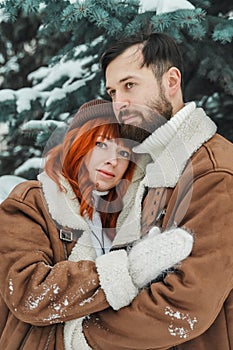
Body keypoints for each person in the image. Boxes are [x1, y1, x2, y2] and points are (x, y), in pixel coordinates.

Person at [79, 32, 233, 349]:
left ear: (171, 82)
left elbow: (186, 304)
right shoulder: (151, 170)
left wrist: (84, 338)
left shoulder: (213, 172)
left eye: (130, 85)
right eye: (112, 91)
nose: (118, 102)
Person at [0, 99, 193, 350]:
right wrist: (127, 270)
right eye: (101, 144)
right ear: (77, 143)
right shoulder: (33, 200)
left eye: (123, 153)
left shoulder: (120, 219)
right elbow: (28, 293)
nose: (113, 160)